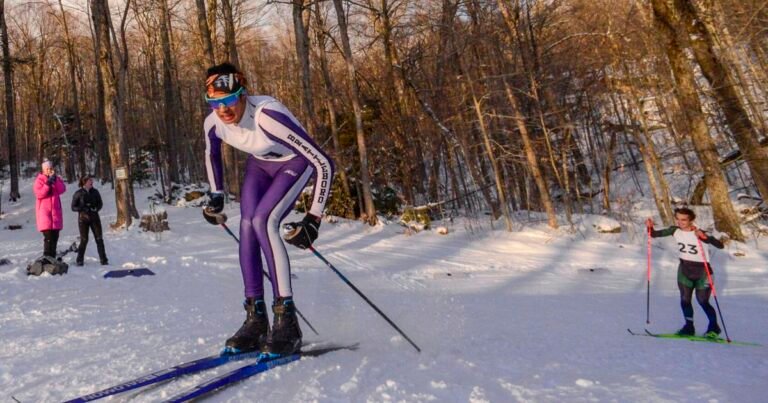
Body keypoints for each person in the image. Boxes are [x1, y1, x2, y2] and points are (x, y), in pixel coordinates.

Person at [201, 62, 335, 355]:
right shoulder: (213, 123)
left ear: (243, 94)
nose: (222, 109)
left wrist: (313, 219)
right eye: (214, 102)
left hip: (293, 163)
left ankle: (286, 320)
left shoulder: (267, 116)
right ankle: (256, 318)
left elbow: (323, 162)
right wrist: (216, 195)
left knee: (264, 220)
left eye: (228, 100)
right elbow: (212, 155)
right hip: (260, 165)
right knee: (247, 225)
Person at [646, 207, 725, 337]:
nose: (680, 222)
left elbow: (720, 245)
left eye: (684, 220)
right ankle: (689, 327)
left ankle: (714, 328)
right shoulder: (674, 230)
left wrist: (705, 237)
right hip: (684, 270)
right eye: (677, 219)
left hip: (703, 272)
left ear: (691, 220)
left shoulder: (700, 232)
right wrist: (650, 227)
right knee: (685, 300)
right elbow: (653, 234)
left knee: (703, 301)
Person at [71, 176, 108, 266]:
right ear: (84, 183)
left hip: (95, 218)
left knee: (99, 239)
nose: (91, 182)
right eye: (89, 181)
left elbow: (100, 203)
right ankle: (79, 260)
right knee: (84, 240)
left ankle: (104, 260)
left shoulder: (95, 192)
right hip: (83, 219)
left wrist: (96, 208)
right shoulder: (78, 193)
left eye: (91, 181)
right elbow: (73, 207)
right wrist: (82, 208)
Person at [34, 160, 66, 259]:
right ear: (43, 170)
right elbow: (39, 194)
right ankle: (47, 258)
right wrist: (47, 184)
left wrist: (55, 179)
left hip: (56, 214)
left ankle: (52, 258)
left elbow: (62, 189)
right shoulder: (39, 180)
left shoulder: (56, 179)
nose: (49, 170)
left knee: (55, 237)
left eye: (50, 168)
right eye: (47, 169)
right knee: (48, 238)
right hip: (45, 214)